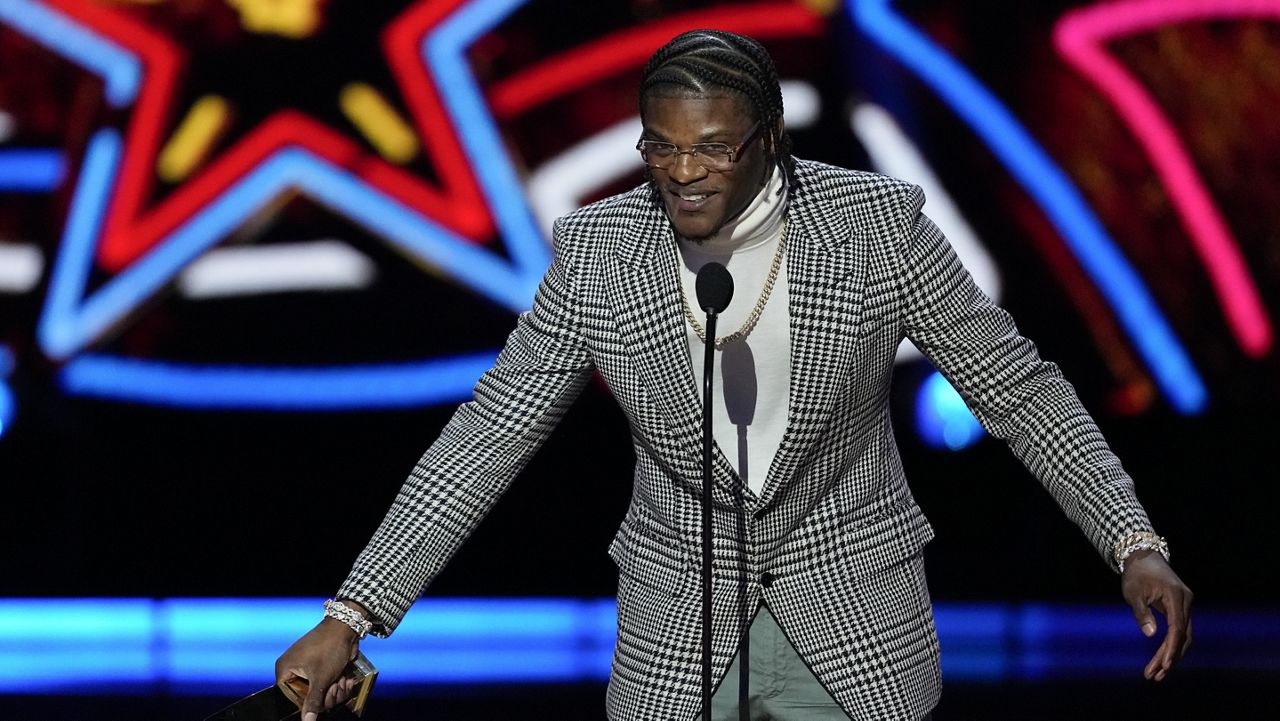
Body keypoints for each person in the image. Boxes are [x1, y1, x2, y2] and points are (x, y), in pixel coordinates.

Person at [276, 29, 1192, 721]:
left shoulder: (874, 229)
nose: (684, 173)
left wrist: (1132, 541)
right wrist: (353, 612)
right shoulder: (601, 251)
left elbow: (1017, 388)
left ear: (769, 138)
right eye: (661, 148)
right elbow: (490, 433)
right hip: (676, 638)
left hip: (854, 629)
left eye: (713, 147)